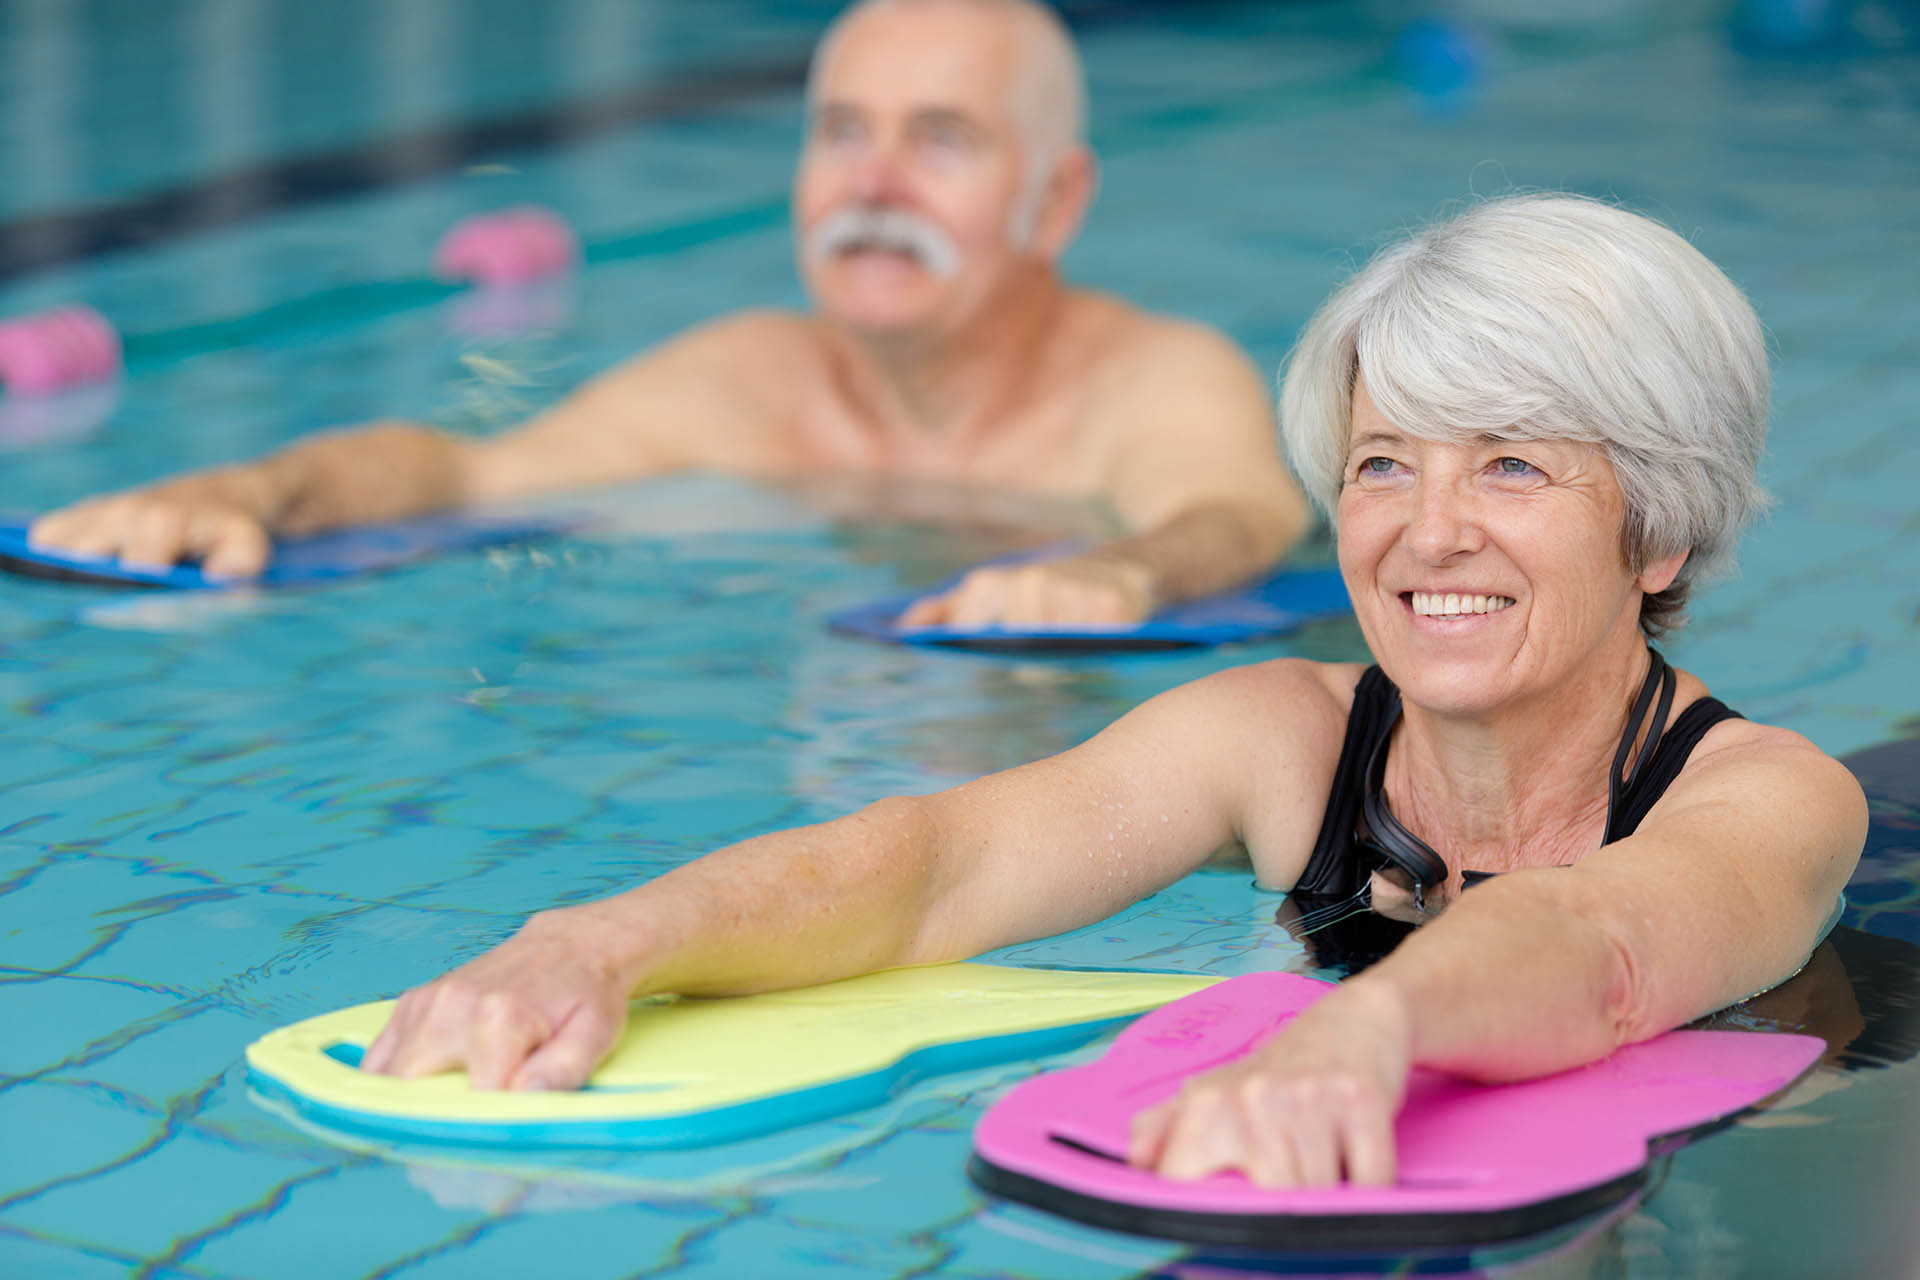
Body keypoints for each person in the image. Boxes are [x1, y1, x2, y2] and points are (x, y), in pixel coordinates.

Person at [361, 194, 1865, 1187]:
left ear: (1658, 528)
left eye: (1516, 466)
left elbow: (1597, 946)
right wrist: (598, 944)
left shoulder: (1773, 799)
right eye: (1383, 464)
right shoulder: (1285, 744)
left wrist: (1357, 1030)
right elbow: (932, 868)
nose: (1430, 530)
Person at [27, 0, 1309, 629]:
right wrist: (250, 492)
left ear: (1055, 200)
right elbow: (464, 470)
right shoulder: (744, 382)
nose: (873, 185)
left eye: (941, 141)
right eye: (842, 134)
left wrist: (1121, 570)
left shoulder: (1154, 380)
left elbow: (1238, 514)